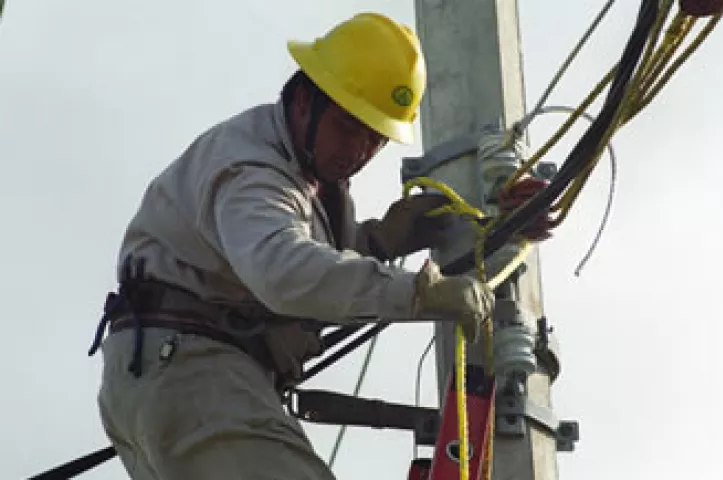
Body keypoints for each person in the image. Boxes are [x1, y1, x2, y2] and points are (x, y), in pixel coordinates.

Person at [88, 11, 551, 480]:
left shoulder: (303, 173)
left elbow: (308, 263)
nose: (359, 151)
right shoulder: (253, 171)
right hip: (191, 371)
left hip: (177, 374)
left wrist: (422, 233)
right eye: (351, 127)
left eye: (376, 138)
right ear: (306, 100)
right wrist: (418, 292)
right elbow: (283, 271)